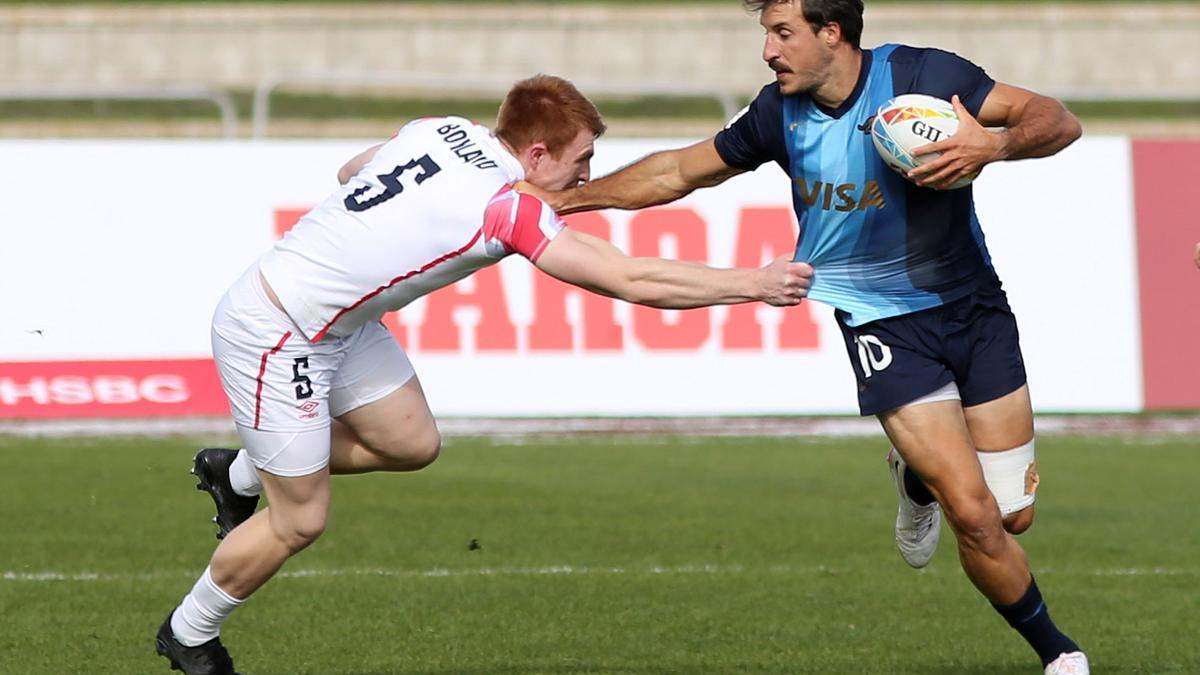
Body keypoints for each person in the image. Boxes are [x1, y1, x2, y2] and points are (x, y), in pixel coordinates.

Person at [153, 74, 812, 675]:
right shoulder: (508, 207)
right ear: (536, 157)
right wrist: (750, 282)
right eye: (580, 160)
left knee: (410, 442)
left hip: (339, 324)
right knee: (300, 518)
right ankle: (190, 632)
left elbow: (352, 169)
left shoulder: (443, 128)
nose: (587, 176)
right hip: (278, 329)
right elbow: (628, 276)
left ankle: (236, 469)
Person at [518, 2, 1087, 673]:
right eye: (767, 34)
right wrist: (566, 200)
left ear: (832, 34)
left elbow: (1057, 120)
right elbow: (678, 171)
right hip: (878, 323)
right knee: (975, 515)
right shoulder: (775, 114)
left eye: (781, 33)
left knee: (1012, 513)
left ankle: (915, 482)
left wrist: (992, 144)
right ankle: (1059, 653)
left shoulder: (924, 76)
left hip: (975, 310)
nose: (768, 51)